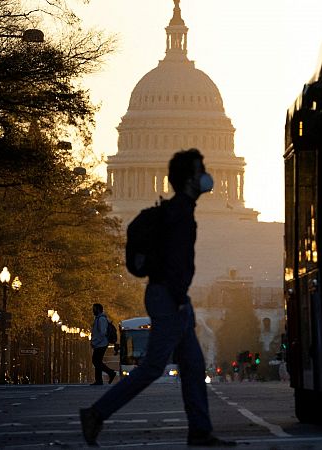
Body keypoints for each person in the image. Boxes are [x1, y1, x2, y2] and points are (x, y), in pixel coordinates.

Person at [80, 149, 235, 447]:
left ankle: (200, 430)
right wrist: (179, 300)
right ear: (190, 179)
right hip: (169, 297)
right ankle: (96, 414)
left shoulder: (176, 210)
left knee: (192, 365)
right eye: (200, 169)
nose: (206, 174)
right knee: (152, 367)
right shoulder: (179, 215)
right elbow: (176, 263)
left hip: (172, 296)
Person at [89, 303, 116, 386]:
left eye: (94, 309)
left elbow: (102, 333)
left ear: (98, 309)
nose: (93, 311)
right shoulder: (98, 318)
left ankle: (110, 372)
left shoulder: (101, 319)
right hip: (99, 343)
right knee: (97, 361)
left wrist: (95, 342)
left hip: (101, 344)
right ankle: (99, 380)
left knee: (96, 361)